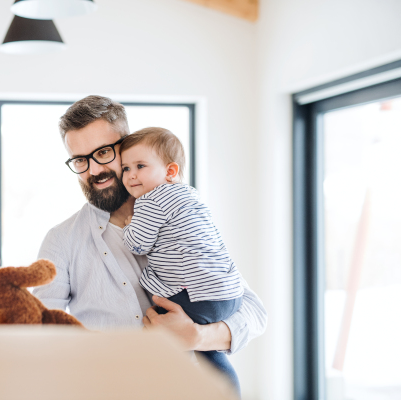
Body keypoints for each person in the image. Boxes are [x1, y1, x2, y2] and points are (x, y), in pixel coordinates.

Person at [32, 95, 266, 395]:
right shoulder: (61, 240)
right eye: (80, 160)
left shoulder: (181, 214)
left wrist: (197, 337)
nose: (93, 170)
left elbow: (253, 311)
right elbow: (40, 337)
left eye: (103, 152)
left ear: (126, 147)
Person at [120, 127, 243, 389]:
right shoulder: (190, 194)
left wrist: (130, 225)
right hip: (230, 294)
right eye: (125, 169)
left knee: (158, 321)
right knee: (208, 352)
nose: (131, 176)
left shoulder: (150, 200)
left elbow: (137, 243)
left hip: (197, 297)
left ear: (170, 171)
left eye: (140, 166)